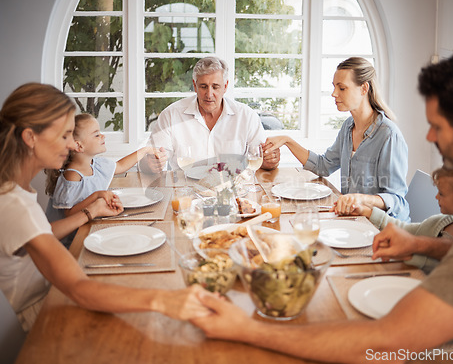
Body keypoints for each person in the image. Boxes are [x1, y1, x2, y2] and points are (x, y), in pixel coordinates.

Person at [191, 54, 453, 361]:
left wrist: (246, 329)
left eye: (437, 127)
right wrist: (421, 243)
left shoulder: (392, 136)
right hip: (362, 227)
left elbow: (388, 341)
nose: (430, 137)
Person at [0, 83, 211, 332]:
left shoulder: (15, 192)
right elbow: (78, 288)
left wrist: (93, 209)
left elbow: (45, 234)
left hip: (49, 295)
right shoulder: (14, 204)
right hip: (35, 314)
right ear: (30, 137)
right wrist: (164, 300)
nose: (71, 145)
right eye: (64, 135)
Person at [264, 57, 410, 221]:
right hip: (353, 220)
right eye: (334, 87)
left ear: (364, 89)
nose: (334, 94)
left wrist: (360, 199)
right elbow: (323, 166)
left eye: (342, 88)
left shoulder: (388, 135)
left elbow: (396, 200)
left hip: (383, 228)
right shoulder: (348, 127)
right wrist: (287, 140)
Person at [139, 56, 280, 173]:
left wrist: (270, 161)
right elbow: (147, 162)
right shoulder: (171, 115)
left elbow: (262, 159)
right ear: (195, 85)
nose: (209, 94)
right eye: (203, 86)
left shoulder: (246, 116)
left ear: (225, 86)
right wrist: (149, 163)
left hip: (234, 193)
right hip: (185, 195)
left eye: (215, 86)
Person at [45, 113, 160, 248]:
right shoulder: (72, 176)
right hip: (71, 244)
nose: (103, 136)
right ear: (78, 146)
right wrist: (97, 195)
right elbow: (69, 213)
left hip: (90, 230)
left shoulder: (96, 165)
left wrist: (145, 150)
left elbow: (120, 166)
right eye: (96, 134)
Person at [353, 166, 453, 273]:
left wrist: (409, 254)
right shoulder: (442, 222)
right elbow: (405, 230)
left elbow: (443, 270)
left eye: (442, 194)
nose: (436, 196)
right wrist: (367, 212)